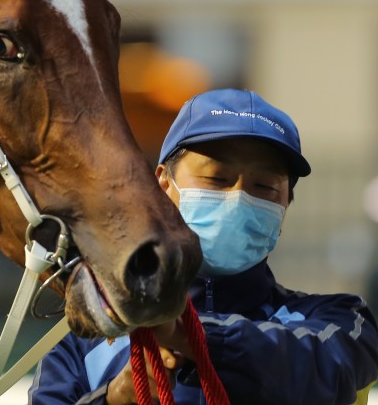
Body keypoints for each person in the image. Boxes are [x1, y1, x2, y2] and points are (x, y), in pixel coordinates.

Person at [29, 88, 378, 404]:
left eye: (265, 186)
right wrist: (114, 399)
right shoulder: (83, 340)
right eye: (216, 179)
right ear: (164, 187)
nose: (239, 198)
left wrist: (192, 335)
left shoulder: (341, 321)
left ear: (286, 204)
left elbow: (328, 368)